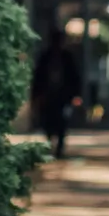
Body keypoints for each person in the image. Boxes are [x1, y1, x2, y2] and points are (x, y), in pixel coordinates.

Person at [31, 28, 81, 158]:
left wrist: (75, 95)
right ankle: (50, 142)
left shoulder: (67, 57)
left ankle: (59, 146)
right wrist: (36, 95)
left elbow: (75, 77)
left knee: (62, 122)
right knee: (48, 120)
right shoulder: (45, 57)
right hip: (48, 95)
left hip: (63, 95)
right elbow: (38, 77)